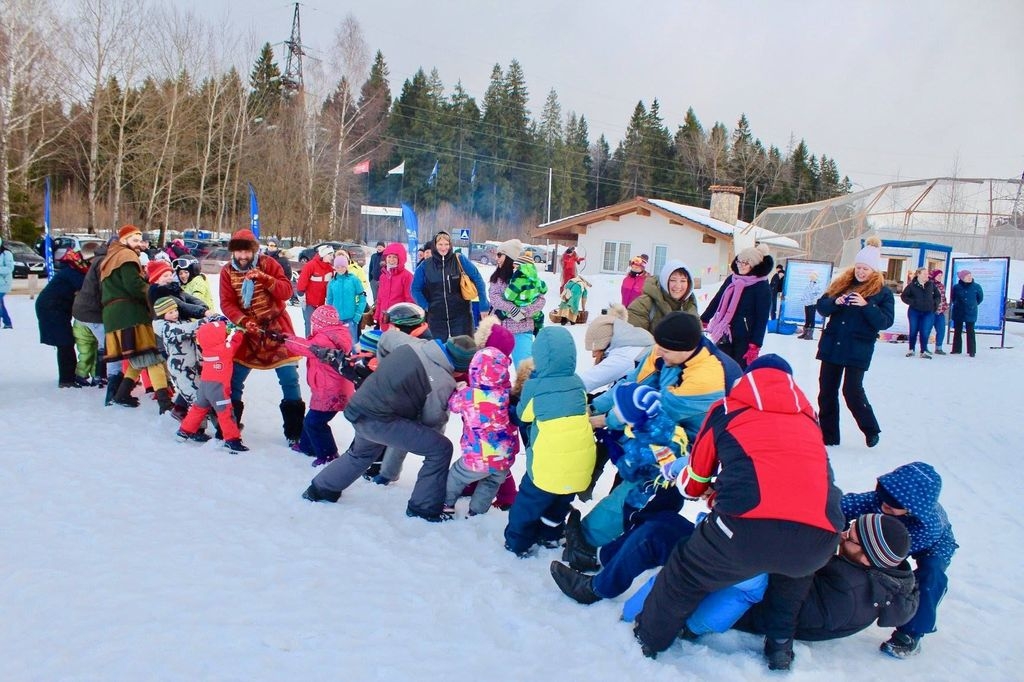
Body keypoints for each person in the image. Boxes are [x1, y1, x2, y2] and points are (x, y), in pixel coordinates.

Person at [633, 353, 845, 671]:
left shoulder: (727, 410)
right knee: (792, 577)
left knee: (686, 570)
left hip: (745, 531)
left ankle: (649, 638)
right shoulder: (808, 419)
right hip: (820, 536)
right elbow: (798, 480)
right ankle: (780, 649)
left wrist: (685, 476)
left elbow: (693, 484)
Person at [302, 334, 478, 522]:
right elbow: (432, 422)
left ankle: (320, 489)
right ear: (460, 368)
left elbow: (386, 339)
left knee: (361, 454)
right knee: (441, 448)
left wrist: (384, 372)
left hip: (361, 405)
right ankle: (423, 508)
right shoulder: (442, 381)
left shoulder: (415, 344)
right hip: (381, 419)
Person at [841, 461, 957, 658]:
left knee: (930, 577)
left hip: (933, 546)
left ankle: (911, 634)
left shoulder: (927, 527)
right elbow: (844, 505)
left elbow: (890, 556)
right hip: (890, 530)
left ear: (912, 509)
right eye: (885, 498)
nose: (886, 505)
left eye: (895, 506)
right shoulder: (879, 501)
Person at [504, 325, 596, 557]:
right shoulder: (578, 383)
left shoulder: (535, 386)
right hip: (580, 465)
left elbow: (524, 416)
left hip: (547, 466)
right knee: (560, 501)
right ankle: (550, 534)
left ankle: (517, 541)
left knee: (528, 503)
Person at [218, 228, 305, 446]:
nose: (243, 257)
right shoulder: (227, 272)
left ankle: (295, 431)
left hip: (276, 328)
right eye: (239, 253)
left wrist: (265, 279)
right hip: (249, 331)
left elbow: (286, 291)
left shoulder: (268, 264)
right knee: (235, 379)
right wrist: (243, 320)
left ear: (254, 251)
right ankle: (230, 427)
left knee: (289, 379)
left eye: (247, 252)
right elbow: (227, 303)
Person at [815, 236, 894, 448]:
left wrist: (866, 305)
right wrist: (836, 302)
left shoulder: (882, 293)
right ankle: (829, 435)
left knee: (852, 390)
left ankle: (871, 430)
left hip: (858, 347)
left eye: (865, 269)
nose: (861, 272)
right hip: (833, 344)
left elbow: (885, 322)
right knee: (826, 390)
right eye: (858, 267)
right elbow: (821, 307)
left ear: (874, 271)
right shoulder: (842, 284)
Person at [101, 225, 173, 412]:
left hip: (115, 315)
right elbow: (133, 285)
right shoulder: (126, 256)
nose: (139, 244)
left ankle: (121, 394)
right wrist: (154, 290)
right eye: (134, 240)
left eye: (139, 240)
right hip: (129, 315)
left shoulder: (110, 257)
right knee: (152, 356)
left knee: (137, 356)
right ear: (123, 240)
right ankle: (165, 404)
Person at [443, 347, 520, 517]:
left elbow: (453, 405)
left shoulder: (469, 396)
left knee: (456, 475)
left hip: (478, 457)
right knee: (491, 483)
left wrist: (462, 389)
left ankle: (446, 504)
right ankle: (476, 512)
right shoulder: (506, 395)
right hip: (503, 457)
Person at [277, 305, 355, 467]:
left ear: (319, 323)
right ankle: (307, 445)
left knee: (315, 422)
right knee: (311, 420)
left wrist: (285, 339)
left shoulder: (323, 339)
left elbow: (304, 347)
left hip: (329, 390)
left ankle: (328, 454)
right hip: (332, 387)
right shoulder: (336, 334)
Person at [176, 319, 248, 452]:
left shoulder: (207, 349)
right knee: (226, 413)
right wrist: (239, 332)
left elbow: (220, 339)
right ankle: (232, 440)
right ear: (216, 336)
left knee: (197, 410)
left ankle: (183, 431)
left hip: (204, 387)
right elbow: (235, 343)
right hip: (218, 389)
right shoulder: (224, 350)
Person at [701, 244, 773, 369]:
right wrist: (705, 319)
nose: (741, 265)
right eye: (740, 261)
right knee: (721, 368)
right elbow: (718, 299)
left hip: (745, 337)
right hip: (724, 331)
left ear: (754, 265)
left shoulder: (761, 286)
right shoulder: (732, 279)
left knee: (738, 370)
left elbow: (762, 317)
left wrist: (755, 344)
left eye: (746, 263)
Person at [411, 230, 488, 341]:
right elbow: (415, 289)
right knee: (438, 353)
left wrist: (484, 305)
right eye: (440, 244)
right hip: (436, 320)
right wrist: (427, 306)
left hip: (461, 318)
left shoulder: (459, 260)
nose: (444, 248)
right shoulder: (425, 265)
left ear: (450, 245)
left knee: (463, 353)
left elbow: (478, 280)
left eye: (446, 244)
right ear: (434, 245)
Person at [487, 239, 546, 367]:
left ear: (509, 257)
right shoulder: (497, 278)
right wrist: (512, 309)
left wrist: (525, 311)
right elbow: (494, 298)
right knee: (494, 369)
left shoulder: (529, 276)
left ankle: (525, 387)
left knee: (524, 369)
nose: (497, 259)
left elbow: (540, 299)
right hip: (499, 330)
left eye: (499, 255)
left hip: (522, 329)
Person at [35, 249, 89, 388]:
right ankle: (66, 380)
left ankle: (68, 377)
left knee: (65, 342)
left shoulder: (72, 270)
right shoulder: (74, 273)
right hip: (52, 309)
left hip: (54, 308)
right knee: (65, 342)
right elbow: (87, 288)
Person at [579, 303, 654, 393]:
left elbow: (587, 381)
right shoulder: (634, 345)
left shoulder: (624, 355)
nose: (593, 355)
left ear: (606, 342)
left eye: (596, 348)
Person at [155, 297, 202, 423]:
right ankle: (194, 429)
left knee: (202, 396)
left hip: (193, 365)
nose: (175, 314)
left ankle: (222, 429)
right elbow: (183, 331)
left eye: (175, 310)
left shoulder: (181, 322)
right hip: (180, 369)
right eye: (170, 312)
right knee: (196, 400)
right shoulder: (165, 328)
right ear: (162, 315)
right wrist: (203, 322)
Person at [626, 260, 698, 333]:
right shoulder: (643, 304)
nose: (678, 286)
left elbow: (696, 335)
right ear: (664, 280)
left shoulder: (690, 305)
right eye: (673, 280)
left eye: (683, 281)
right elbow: (633, 338)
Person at [373, 243, 414, 332]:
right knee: (385, 344)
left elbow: (409, 300)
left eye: (395, 257)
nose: (391, 260)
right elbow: (380, 298)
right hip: (384, 319)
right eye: (389, 256)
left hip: (399, 321)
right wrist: (377, 315)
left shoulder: (407, 276)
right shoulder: (383, 276)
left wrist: (406, 319)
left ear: (401, 259)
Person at [325, 254, 366, 343]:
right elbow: (329, 302)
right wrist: (330, 317)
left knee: (353, 343)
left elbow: (362, 297)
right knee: (340, 345)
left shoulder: (353, 280)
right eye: (337, 267)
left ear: (346, 267)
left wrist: (358, 314)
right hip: (337, 320)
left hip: (351, 318)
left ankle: (355, 357)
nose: (340, 269)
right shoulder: (332, 282)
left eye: (343, 266)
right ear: (334, 267)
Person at [901, 267, 940, 358]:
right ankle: (911, 349)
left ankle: (923, 351)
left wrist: (934, 304)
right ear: (918, 274)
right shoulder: (912, 285)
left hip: (928, 311)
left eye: (927, 274)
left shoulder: (931, 285)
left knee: (925, 331)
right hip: (914, 311)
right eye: (924, 274)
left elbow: (938, 296)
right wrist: (913, 302)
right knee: (913, 330)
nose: (927, 275)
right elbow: (904, 296)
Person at [297, 245, 335, 337]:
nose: (332, 257)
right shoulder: (310, 265)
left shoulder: (330, 269)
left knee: (320, 325)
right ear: (323, 254)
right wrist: (301, 296)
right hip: (309, 302)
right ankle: (308, 344)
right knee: (309, 324)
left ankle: (318, 344)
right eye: (330, 255)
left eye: (332, 255)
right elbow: (302, 282)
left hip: (321, 302)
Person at [950, 269, 983, 357]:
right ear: (962, 278)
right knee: (957, 331)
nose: (969, 277)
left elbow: (980, 298)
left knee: (970, 331)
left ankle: (972, 351)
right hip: (958, 311)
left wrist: (972, 305)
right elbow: (953, 298)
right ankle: (956, 349)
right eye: (967, 276)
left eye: (970, 275)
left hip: (971, 311)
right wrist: (958, 304)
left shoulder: (976, 287)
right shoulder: (956, 287)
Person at [929, 270, 949, 355]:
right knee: (926, 329)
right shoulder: (929, 285)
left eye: (941, 275)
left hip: (940, 311)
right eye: (938, 275)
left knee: (941, 330)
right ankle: (924, 347)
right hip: (930, 311)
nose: (940, 277)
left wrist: (945, 307)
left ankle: (939, 347)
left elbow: (943, 298)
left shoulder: (941, 286)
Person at [798, 272, 823, 340]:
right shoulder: (809, 283)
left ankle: (810, 334)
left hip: (813, 303)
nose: (811, 277)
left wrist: (814, 300)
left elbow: (819, 294)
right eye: (811, 276)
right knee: (807, 317)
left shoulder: (819, 284)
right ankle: (805, 332)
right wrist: (803, 298)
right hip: (807, 303)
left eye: (813, 276)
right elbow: (806, 291)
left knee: (812, 318)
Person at [0, 237, 14, 328]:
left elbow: (10, 268)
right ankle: (7, 322)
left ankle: (7, 322)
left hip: (3, 283)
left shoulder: (6, 254)